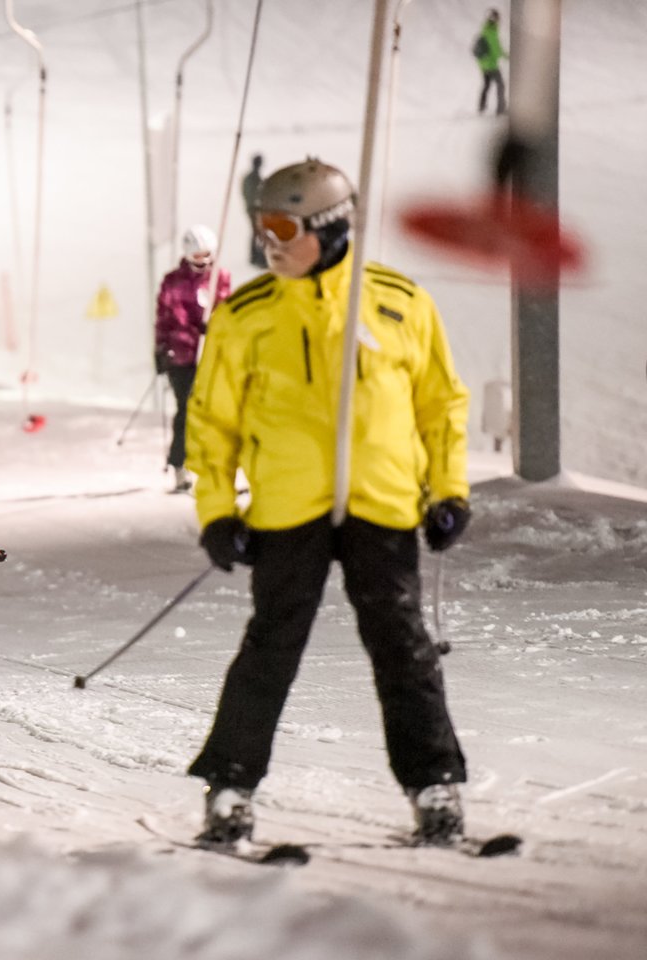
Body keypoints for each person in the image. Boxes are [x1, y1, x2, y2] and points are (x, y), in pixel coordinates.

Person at [184, 158, 472, 847]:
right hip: (289, 509)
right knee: (272, 644)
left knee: (402, 645)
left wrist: (448, 490)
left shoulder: (398, 302)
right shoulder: (245, 316)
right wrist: (218, 510)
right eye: (262, 228)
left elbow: (441, 406)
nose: (270, 244)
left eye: (283, 227)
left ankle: (435, 787)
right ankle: (229, 789)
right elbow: (211, 423)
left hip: (383, 503)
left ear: (331, 225)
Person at [155, 224, 231, 493]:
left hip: (210, 354)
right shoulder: (173, 281)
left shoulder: (219, 277)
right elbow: (165, 317)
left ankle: (216, 468)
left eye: (206, 254)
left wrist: (216, 325)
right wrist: (161, 348)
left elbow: (226, 309)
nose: (203, 261)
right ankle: (180, 466)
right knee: (187, 410)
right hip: (182, 355)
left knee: (215, 412)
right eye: (197, 255)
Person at [475, 9, 508, 116]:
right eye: (498, 18)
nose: (499, 20)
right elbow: (497, 51)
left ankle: (481, 106)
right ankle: (501, 109)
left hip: (483, 65)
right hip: (491, 64)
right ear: (495, 19)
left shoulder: (485, 29)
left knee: (486, 85)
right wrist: (508, 56)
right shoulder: (492, 33)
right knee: (501, 85)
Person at [241, 154, 267, 268]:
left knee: (258, 232)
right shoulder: (252, 178)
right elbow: (250, 195)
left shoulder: (255, 177)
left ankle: (256, 255)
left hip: (255, 209)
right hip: (254, 210)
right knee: (257, 232)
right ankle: (255, 256)